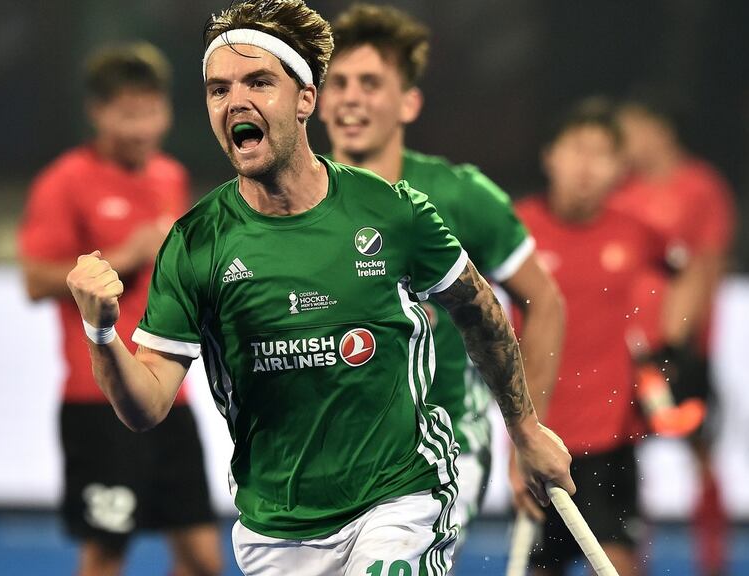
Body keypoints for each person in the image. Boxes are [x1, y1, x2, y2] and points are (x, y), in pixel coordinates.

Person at [66, 1, 574, 574]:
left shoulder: (393, 211)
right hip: (275, 527)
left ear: (307, 98)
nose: (236, 100)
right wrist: (101, 330)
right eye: (218, 89)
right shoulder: (196, 242)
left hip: (400, 496)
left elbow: (479, 311)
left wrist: (525, 428)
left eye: (259, 81)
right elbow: (147, 405)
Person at [318, 3, 565, 539]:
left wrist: (529, 430)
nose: (351, 98)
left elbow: (544, 301)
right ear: (315, 99)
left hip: (446, 438)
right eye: (338, 83)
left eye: (370, 82)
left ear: (409, 102)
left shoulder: (461, 195)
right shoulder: (289, 205)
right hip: (332, 449)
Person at [18, 43, 221, 576]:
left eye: (153, 112)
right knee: (107, 554)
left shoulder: (169, 177)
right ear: (98, 112)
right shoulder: (65, 182)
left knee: (203, 558)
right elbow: (35, 280)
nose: (144, 127)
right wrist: (125, 255)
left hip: (168, 392)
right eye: (129, 114)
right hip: (99, 398)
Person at [516, 97, 677, 575]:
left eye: (601, 154)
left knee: (621, 565)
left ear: (619, 168)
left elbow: (686, 269)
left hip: (611, 437)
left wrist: (671, 345)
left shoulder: (637, 232)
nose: (586, 167)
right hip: (539, 434)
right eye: (575, 150)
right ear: (550, 156)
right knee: (542, 568)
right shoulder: (515, 228)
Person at [611, 97, 735, 576]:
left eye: (632, 130)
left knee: (699, 449)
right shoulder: (624, 191)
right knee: (624, 457)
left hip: (682, 350)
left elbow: (707, 263)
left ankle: (714, 563)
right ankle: (632, 563)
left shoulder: (700, 187)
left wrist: (681, 340)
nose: (626, 144)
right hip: (628, 352)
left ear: (660, 130)